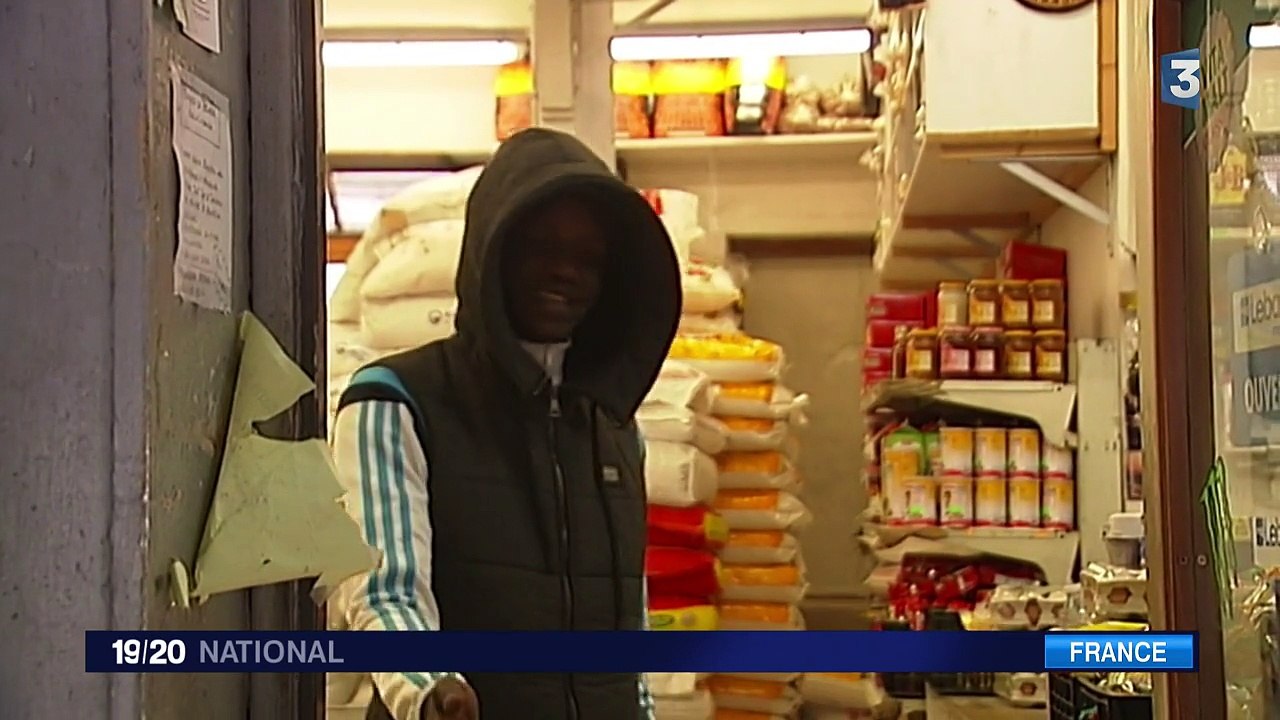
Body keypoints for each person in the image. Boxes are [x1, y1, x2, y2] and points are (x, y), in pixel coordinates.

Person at [331, 127, 682, 720]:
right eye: (543, 247)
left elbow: (628, 625)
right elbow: (383, 591)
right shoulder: (396, 402)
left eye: (587, 259)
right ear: (494, 250)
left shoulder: (614, 430)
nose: (566, 271)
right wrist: (430, 690)